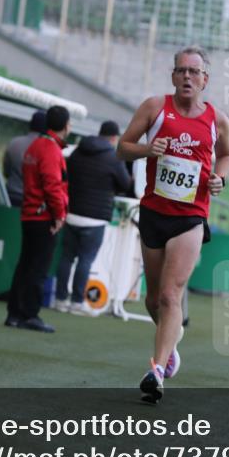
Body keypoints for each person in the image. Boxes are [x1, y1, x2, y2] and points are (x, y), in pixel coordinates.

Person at [117, 46, 229, 402]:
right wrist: (148, 150)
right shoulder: (155, 108)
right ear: (173, 76)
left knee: (171, 295)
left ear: (204, 80)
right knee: (154, 300)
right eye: (181, 70)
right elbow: (123, 147)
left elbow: (226, 155)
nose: (187, 76)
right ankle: (172, 346)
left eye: (194, 72)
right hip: (154, 212)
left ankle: (157, 371)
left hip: (190, 217)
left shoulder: (217, 119)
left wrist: (220, 178)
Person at [54, 120, 134, 315]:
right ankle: (76, 303)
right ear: (114, 138)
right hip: (96, 218)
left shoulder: (78, 151)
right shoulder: (114, 157)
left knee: (66, 258)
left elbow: (66, 174)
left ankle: (59, 299)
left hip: (71, 213)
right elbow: (125, 184)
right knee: (85, 260)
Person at [5, 106, 72, 333]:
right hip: (43, 216)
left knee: (25, 265)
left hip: (29, 213)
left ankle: (14, 313)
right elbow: (52, 186)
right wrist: (58, 215)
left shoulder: (35, 147)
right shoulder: (51, 150)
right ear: (66, 126)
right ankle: (29, 315)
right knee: (38, 267)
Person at [3, 110, 47, 206]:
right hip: (32, 201)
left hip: (9, 196)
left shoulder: (14, 142)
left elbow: (6, 172)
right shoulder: (46, 149)